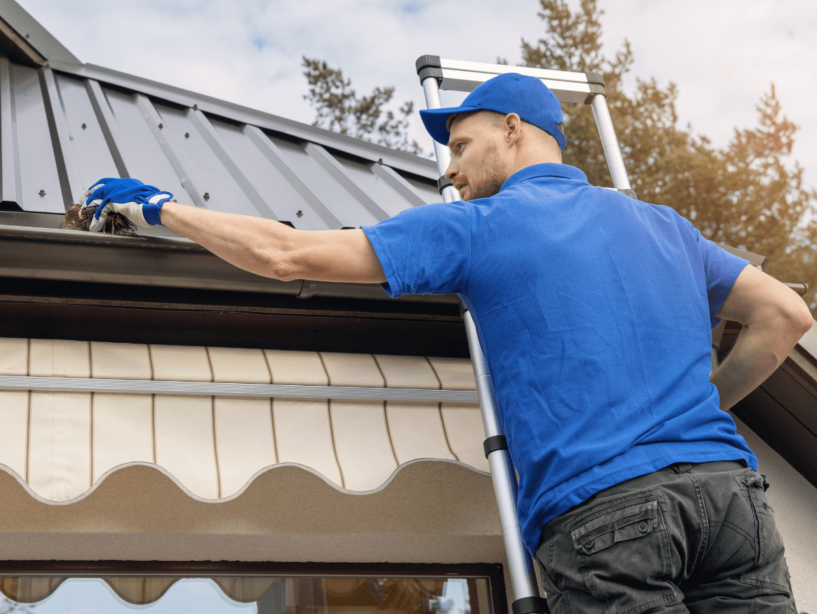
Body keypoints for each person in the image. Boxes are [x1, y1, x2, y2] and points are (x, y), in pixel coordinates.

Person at [81, 73, 812, 613]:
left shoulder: (480, 227)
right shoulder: (664, 225)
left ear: (516, 128)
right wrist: (688, 406)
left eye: (462, 144)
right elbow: (784, 315)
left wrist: (160, 206)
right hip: (731, 503)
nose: (449, 169)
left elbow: (287, 254)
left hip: (607, 512)